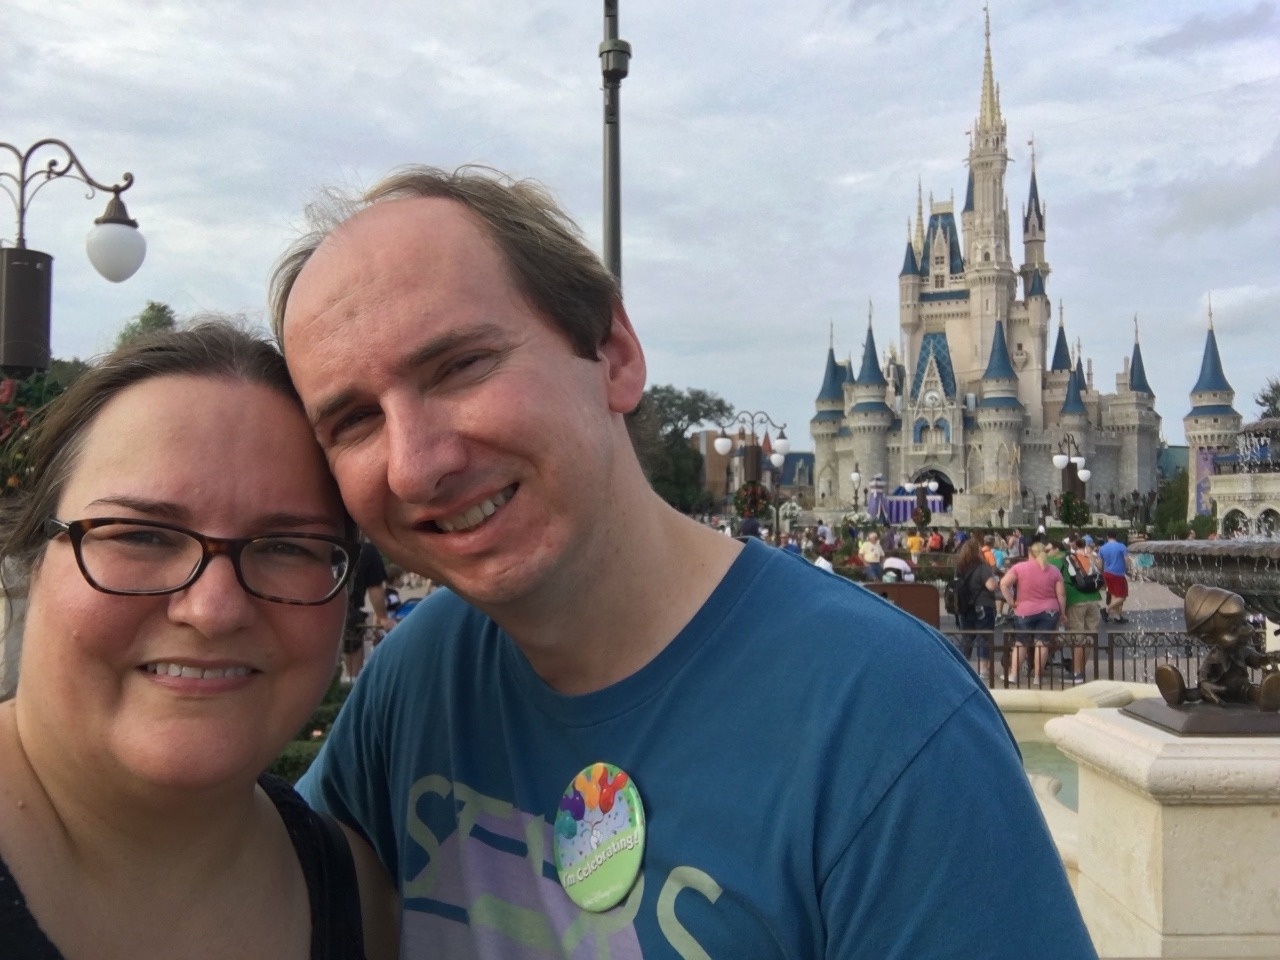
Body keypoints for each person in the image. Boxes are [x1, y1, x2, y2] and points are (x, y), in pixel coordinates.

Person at [272, 165, 1094, 957]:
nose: (416, 464)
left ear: (616, 357)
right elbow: (247, 893)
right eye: (352, 419)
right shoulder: (416, 680)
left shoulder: (888, 724)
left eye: (459, 365)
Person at [0, 323, 396, 960]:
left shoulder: (362, 902)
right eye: (140, 535)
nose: (214, 610)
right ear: (30, 562)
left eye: (286, 547)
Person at [1000, 542, 1066, 685]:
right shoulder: (1054, 570)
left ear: (1030, 553)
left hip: (1024, 610)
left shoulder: (1019, 567)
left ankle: (1014, 675)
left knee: (1021, 643)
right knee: (1042, 643)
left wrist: (1011, 602)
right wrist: (1062, 613)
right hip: (1049, 611)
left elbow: (1004, 584)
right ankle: (1037, 677)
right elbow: (1061, 595)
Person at [342, 539, 397, 682]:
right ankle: (350, 684)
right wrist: (382, 617)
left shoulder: (324, 543)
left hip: (316, 608)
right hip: (348, 611)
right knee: (353, 665)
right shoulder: (366, 551)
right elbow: (376, 589)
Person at [1049, 536, 1103, 683]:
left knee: (1076, 637)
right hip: (1093, 598)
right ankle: (1079, 669)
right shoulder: (1080, 557)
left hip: (1075, 600)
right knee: (1089, 637)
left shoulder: (1055, 560)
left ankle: (1077, 674)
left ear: (1055, 549)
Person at [953, 537, 999, 668]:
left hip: (965, 606)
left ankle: (961, 666)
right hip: (983, 605)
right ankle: (983, 669)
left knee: (967, 637)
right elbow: (991, 586)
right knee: (984, 637)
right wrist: (995, 580)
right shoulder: (982, 568)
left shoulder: (960, 567)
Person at [1098, 530, 1131, 623]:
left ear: (1107, 537)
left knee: (1114, 595)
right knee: (1122, 596)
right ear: (1116, 537)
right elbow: (1127, 560)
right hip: (1118, 574)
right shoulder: (1121, 546)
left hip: (1107, 573)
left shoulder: (1102, 548)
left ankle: (1116, 616)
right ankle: (1106, 610)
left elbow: (1100, 564)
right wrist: (1129, 569)